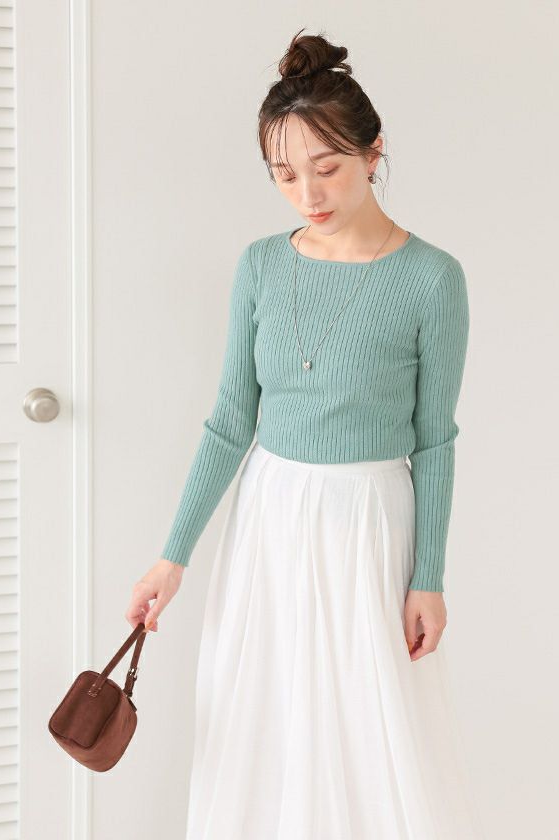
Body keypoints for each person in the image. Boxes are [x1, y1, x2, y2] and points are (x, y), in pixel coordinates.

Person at [125, 28, 484, 840]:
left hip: (369, 524)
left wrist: (428, 577)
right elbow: (230, 420)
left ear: (373, 150)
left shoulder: (432, 279)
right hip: (270, 517)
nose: (307, 194)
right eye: (284, 175)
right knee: (265, 714)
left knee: (370, 726)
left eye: (327, 168)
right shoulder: (260, 265)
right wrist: (172, 557)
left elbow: (435, 439)